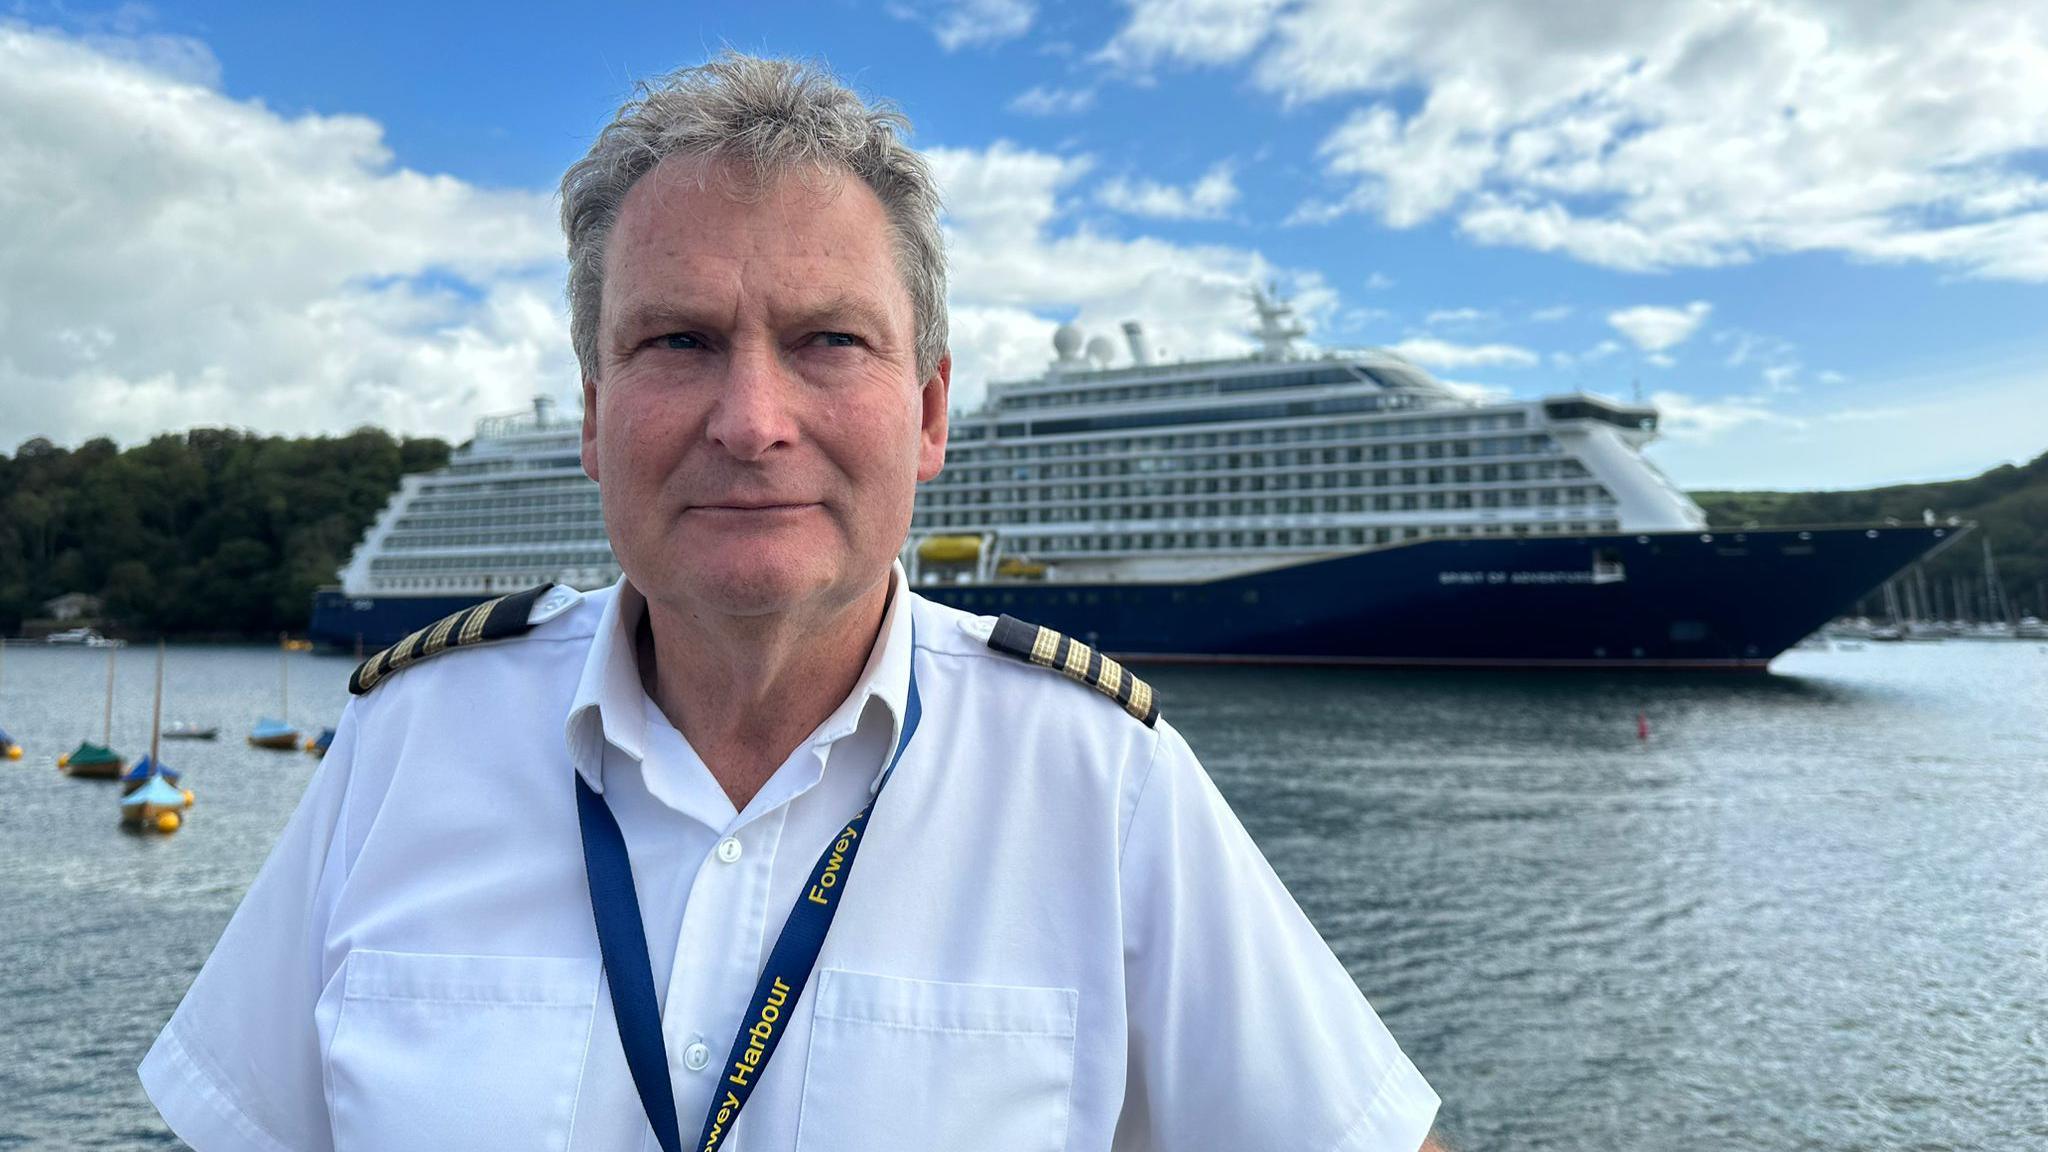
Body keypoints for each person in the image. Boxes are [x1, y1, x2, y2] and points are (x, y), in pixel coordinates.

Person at [140, 52, 1446, 1152]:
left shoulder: (1099, 781)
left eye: (829, 340)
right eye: (678, 342)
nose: (752, 423)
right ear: (593, 418)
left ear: (929, 414)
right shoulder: (407, 745)